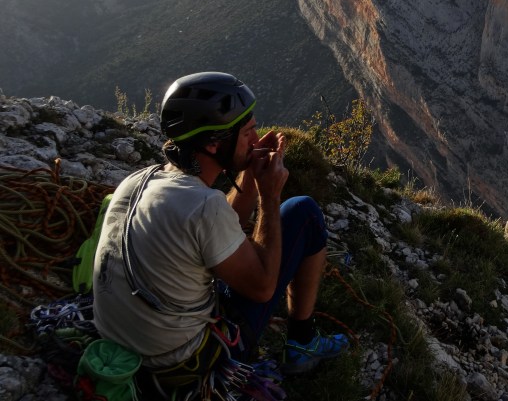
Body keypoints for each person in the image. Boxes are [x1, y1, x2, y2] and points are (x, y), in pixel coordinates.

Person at [92, 71, 348, 394]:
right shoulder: (204, 207)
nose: (256, 140)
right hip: (179, 363)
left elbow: (222, 224)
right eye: (248, 132)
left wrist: (251, 174)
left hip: (120, 341)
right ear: (214, 143)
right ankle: (303, 342)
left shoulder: (140, 180)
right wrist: (270, 196)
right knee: (304, 213)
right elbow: (263, 287)